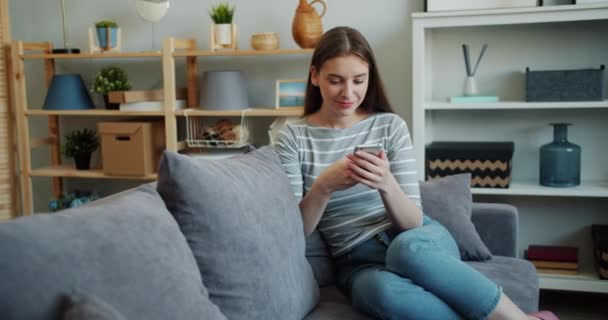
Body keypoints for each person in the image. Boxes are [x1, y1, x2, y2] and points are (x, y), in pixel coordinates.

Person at [274, 26, 558, 320]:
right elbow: (297, 232)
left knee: (405, 251)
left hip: (418, 241)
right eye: (335, 81)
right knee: (383, 294)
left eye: (359, 80)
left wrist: (386, 184)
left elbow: (412, 222)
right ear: (314, 76)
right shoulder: (292, 137)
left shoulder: (389, 126)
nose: (348, 93)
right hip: (357, 262)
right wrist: (323, 187)